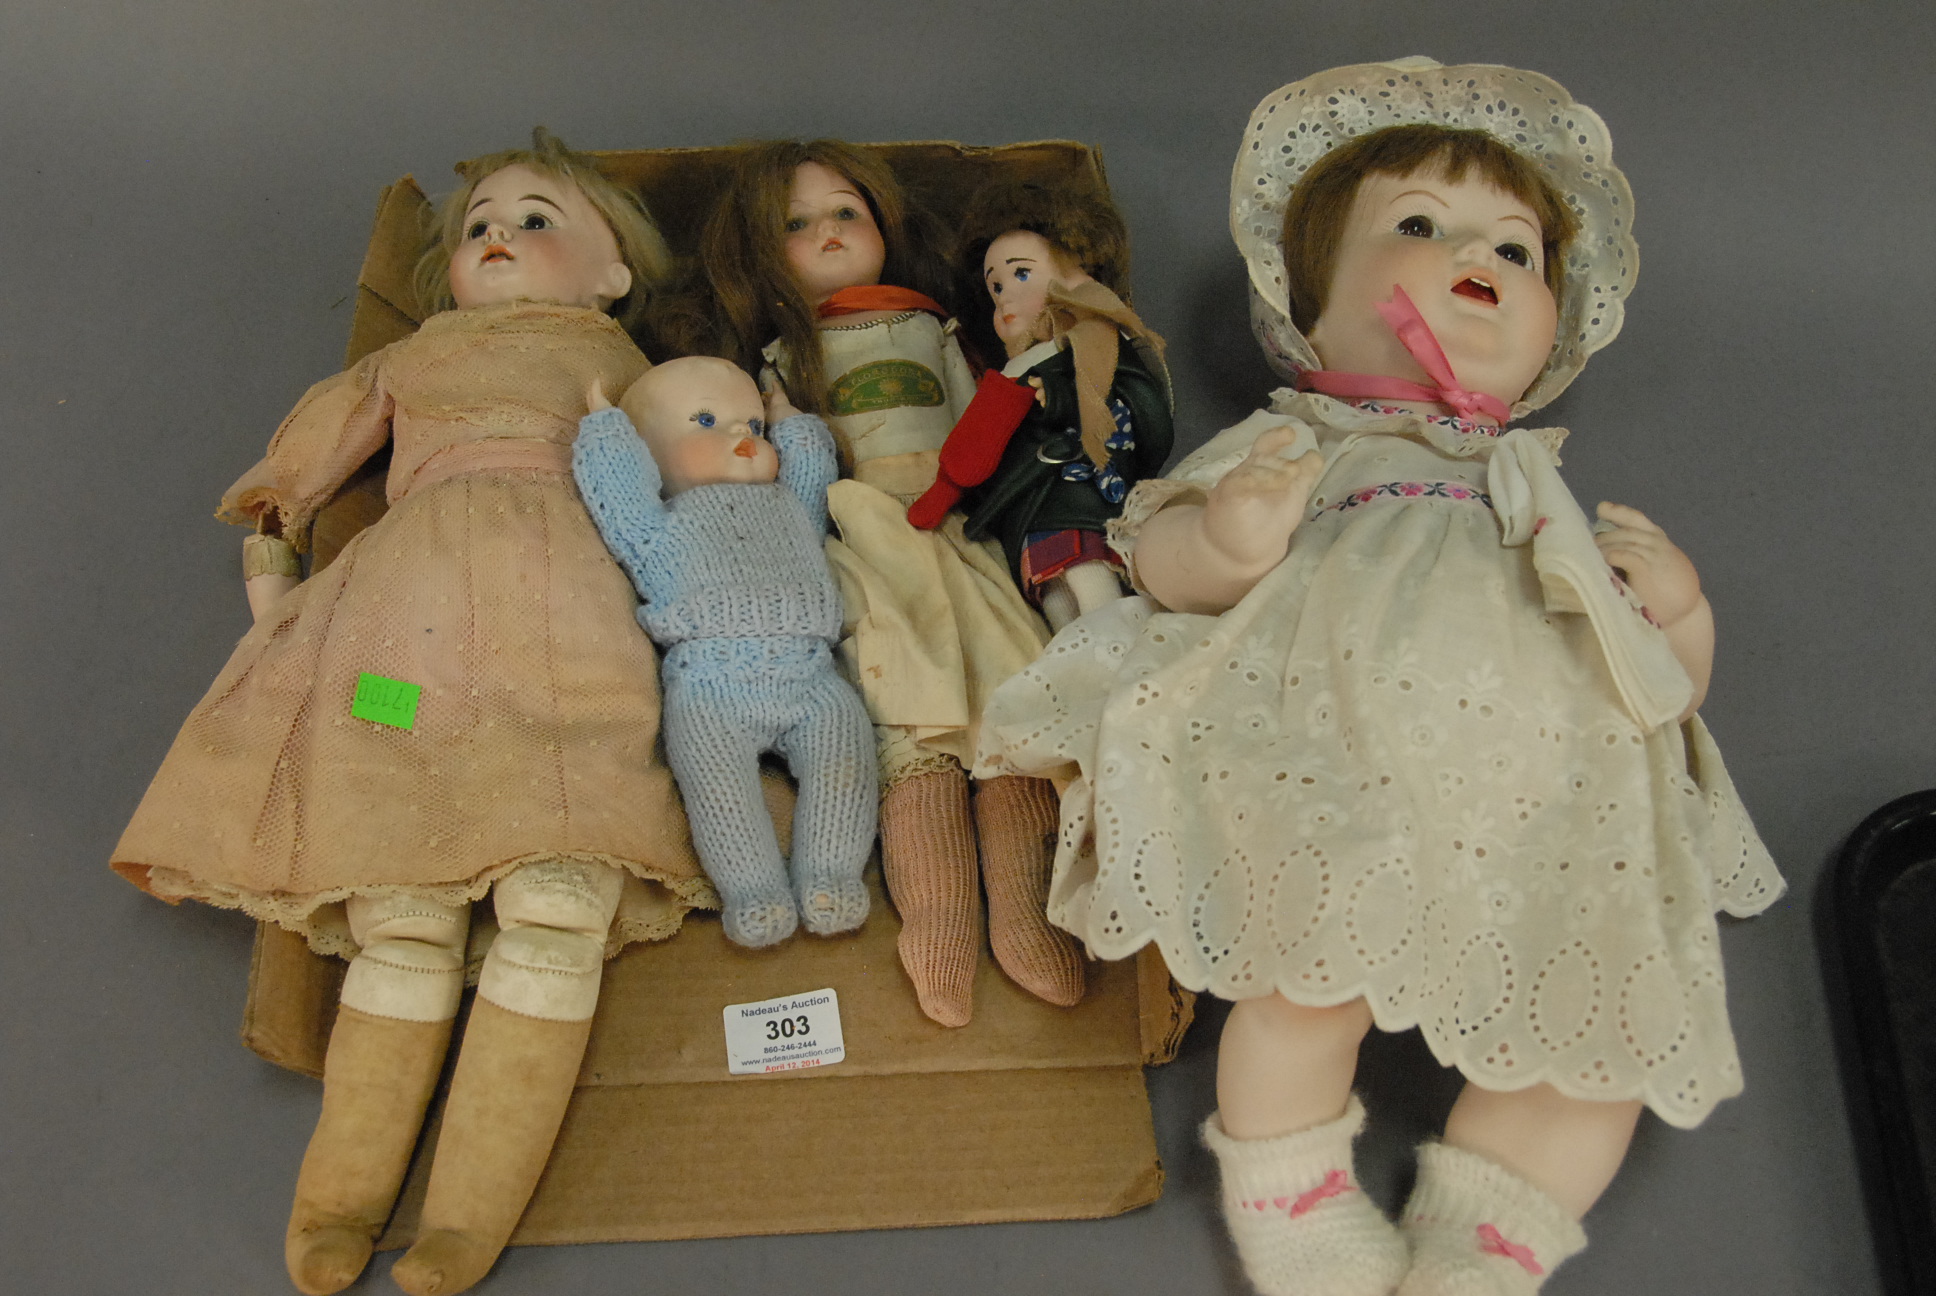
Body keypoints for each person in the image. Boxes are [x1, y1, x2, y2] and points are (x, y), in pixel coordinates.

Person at [977, 60, 1782, 1296]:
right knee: (1307, 975)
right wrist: (1234, 534)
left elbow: (1661, 692)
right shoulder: (1303, 440)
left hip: (1547, 799)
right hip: (1341, 757)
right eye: (1417, 224)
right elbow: (1167, 565)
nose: (1476, 256)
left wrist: (1677, 612)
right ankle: (1291, 1194)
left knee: (1592, 1026)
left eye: (1514, 249)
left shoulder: (1536, 489)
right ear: (1312, 304)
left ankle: (1489, 1245)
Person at [110, 130, 702, 1296]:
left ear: (612, 274)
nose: (499, 235)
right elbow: (301, 469)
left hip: (570, 630)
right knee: (403, 904)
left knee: (557, 904)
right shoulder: (415, 357)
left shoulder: (632, 367)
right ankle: (339, 1200)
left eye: (537, 219)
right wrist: (275, 566)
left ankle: (464, 1220)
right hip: (404, 639)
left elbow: (699, 463)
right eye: (481, 224)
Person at [669, 139, 1080, 1025]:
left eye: (846, 211)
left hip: (960, 532)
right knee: (908, 733)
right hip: (859, 538)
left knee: (1008, 714)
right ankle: (939, 922)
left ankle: (1025, 914)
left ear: (886, 225)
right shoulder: (779, 361)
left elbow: (988, 418)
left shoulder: (938, 329)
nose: (827, 231)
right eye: (796, 223)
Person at [572, 356, 876, 949]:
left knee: (847, 759)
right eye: (707, 420)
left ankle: (830, 875)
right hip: (710, 686)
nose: (742, 434)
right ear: (649, 457)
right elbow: (615, 491)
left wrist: (788, 418)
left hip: (812, 677)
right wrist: (607, 429)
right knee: (718, 789)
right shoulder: (656, 525)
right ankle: (753, 889)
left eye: (753, 425)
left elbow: (812, 472)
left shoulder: (792, 508)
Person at [909, 179, 1174, 632]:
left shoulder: (1099, 347)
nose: (1005, 297)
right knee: (1055, 595)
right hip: (1029, 510)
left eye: (1021, 275)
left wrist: (1064, 400)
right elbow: (981, 443)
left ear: (1077, 277)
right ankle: (1072, 661)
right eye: (995, 287)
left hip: (1082, 497)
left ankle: (1115, 652)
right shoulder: (1014, 370)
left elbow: (1140, 407)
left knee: (1091, 580)